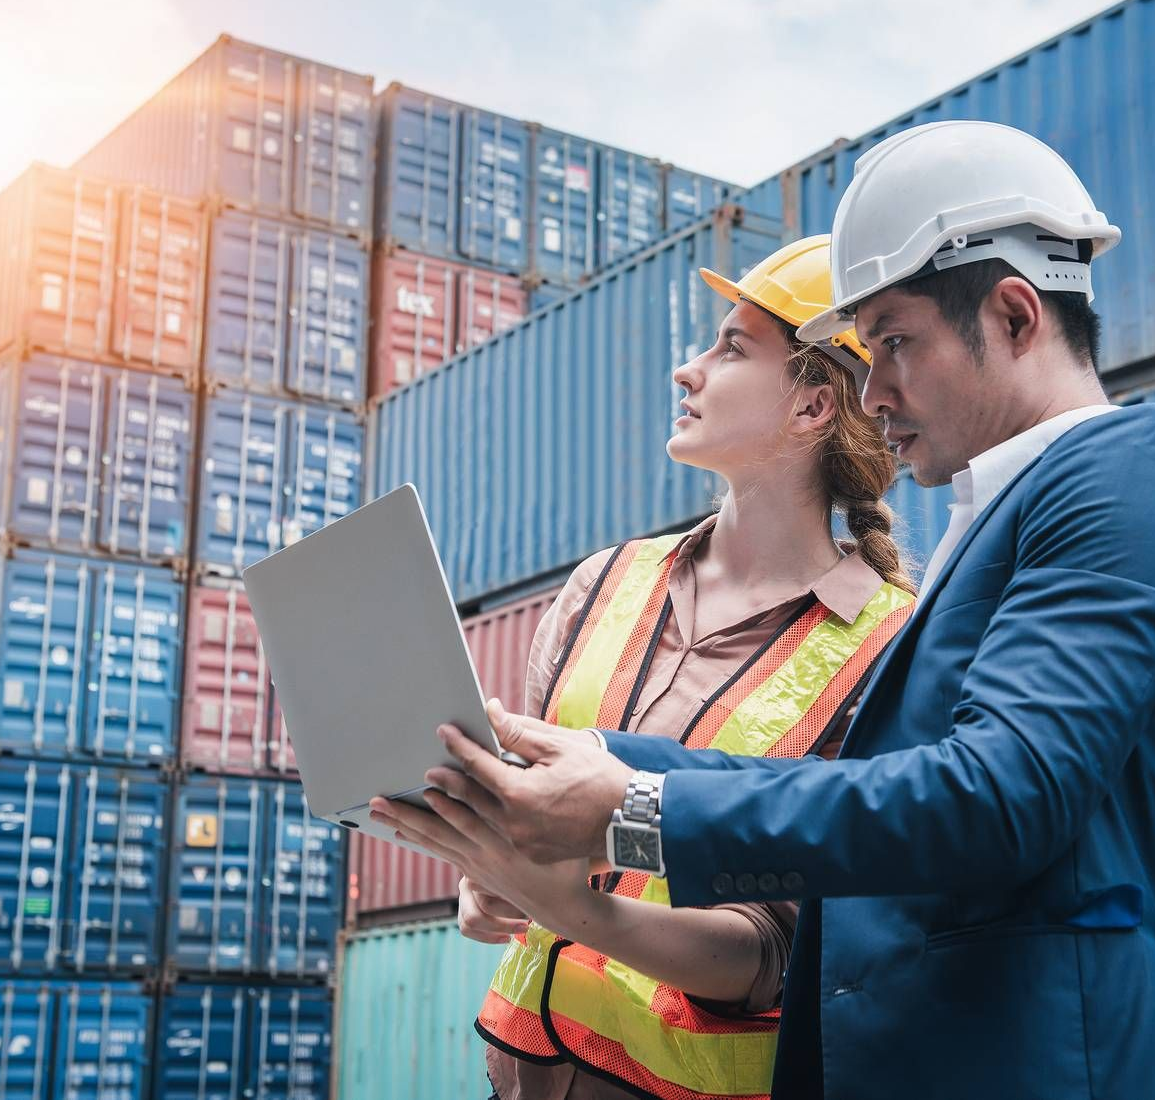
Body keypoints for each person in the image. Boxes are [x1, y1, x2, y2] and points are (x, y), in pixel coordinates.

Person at [380, 121, 1155, 1100]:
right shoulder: (1001, 514)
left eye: (890, 342)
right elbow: (873, 784)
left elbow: (997, 797)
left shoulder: (1123, 483)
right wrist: (606, 773)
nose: (872, 390)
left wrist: (631, 809)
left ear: (1014, 316)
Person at [376, 236, 915, 1100]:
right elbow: (522, 839)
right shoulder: (604, 583)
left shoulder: (885, 648)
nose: (688, 369)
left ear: (815, 405)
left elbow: (777, 953)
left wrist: (572, 908)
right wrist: (487, 885)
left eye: (732, 347)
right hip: (519, 1077)